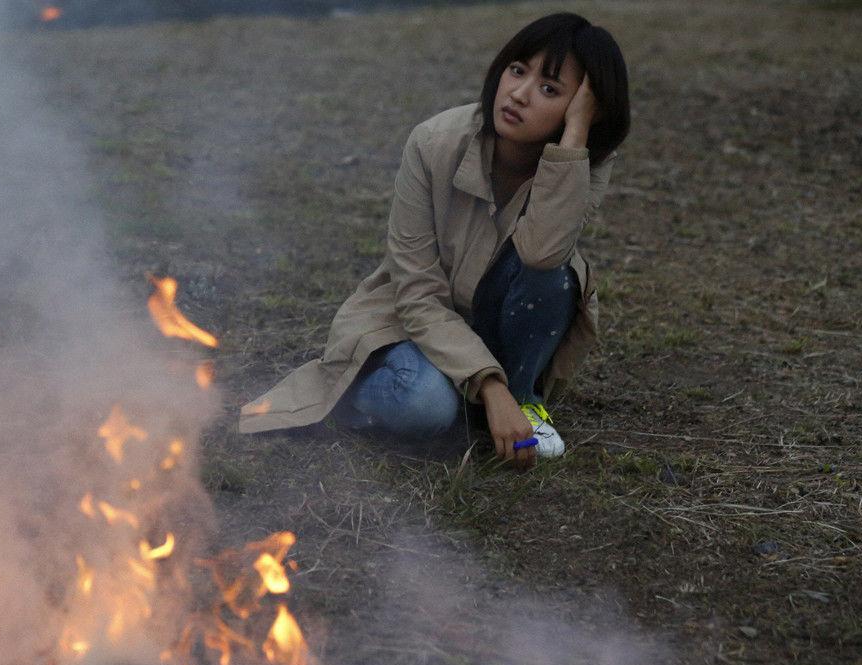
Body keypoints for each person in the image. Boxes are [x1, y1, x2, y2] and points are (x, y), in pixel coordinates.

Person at [238, 12, 630, 469]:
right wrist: (489, 385)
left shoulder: (580, 160)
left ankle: (524, 400)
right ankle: (384, 398)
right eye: (517, 70)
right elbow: (418, 293)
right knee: (424, 406)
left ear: (582, 109)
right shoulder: (434, 143)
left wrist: (576, 135)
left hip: (502, 318)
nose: (519, 94)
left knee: (557, 273)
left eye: (549, 89)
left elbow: (544, 255)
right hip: (418, 324)